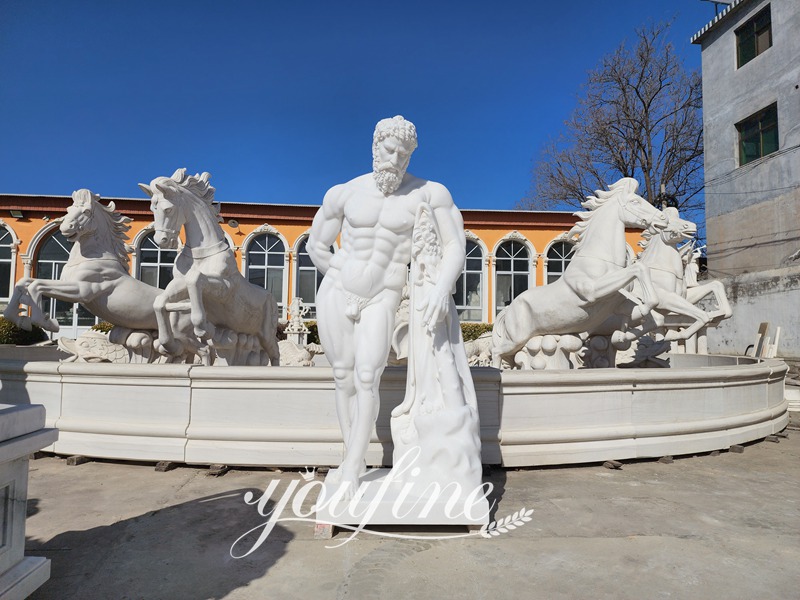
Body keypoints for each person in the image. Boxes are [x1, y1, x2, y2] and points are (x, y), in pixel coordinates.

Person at [307, 116, 468, 494]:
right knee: (342, 377)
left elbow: (454, 245)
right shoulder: (344, 193)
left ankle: (350, 469)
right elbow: (316, 244)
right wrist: (337, 265)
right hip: (335, 290)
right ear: (375, 147)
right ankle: (354, 457)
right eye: (389, 150)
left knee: (368, 376)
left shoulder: (430, 193)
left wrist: (443, 286)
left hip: (383, 294)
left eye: (404, 154)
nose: (396, 160)